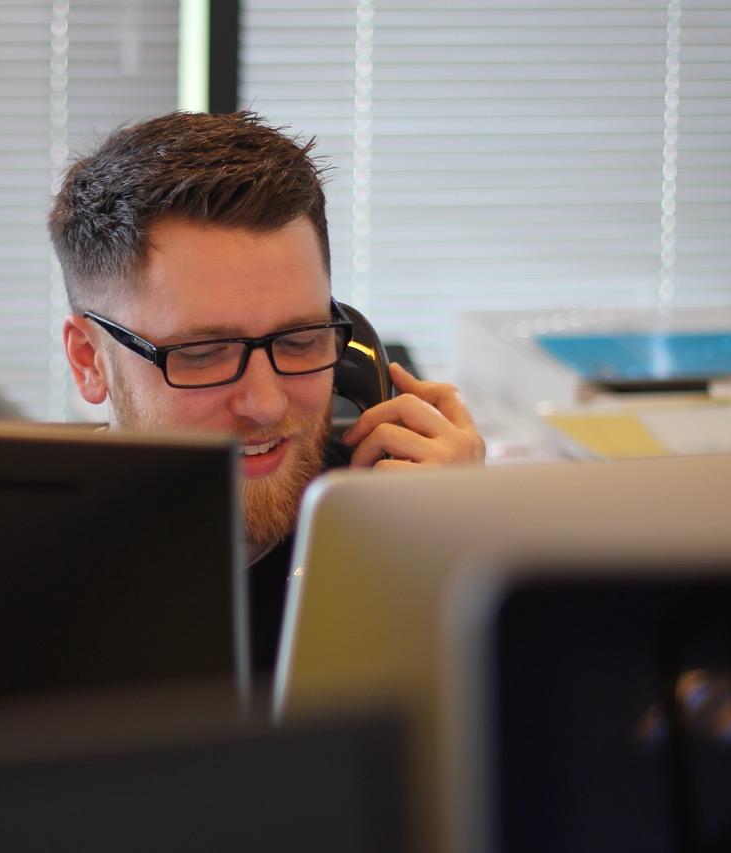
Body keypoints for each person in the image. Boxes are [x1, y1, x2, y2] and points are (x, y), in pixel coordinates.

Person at [50, 111, 484, 676]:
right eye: (203, 353)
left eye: (301, 340)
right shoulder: (14, 585)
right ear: (90, 360)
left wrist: (466, 551)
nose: (267, 404)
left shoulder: (401, 522)